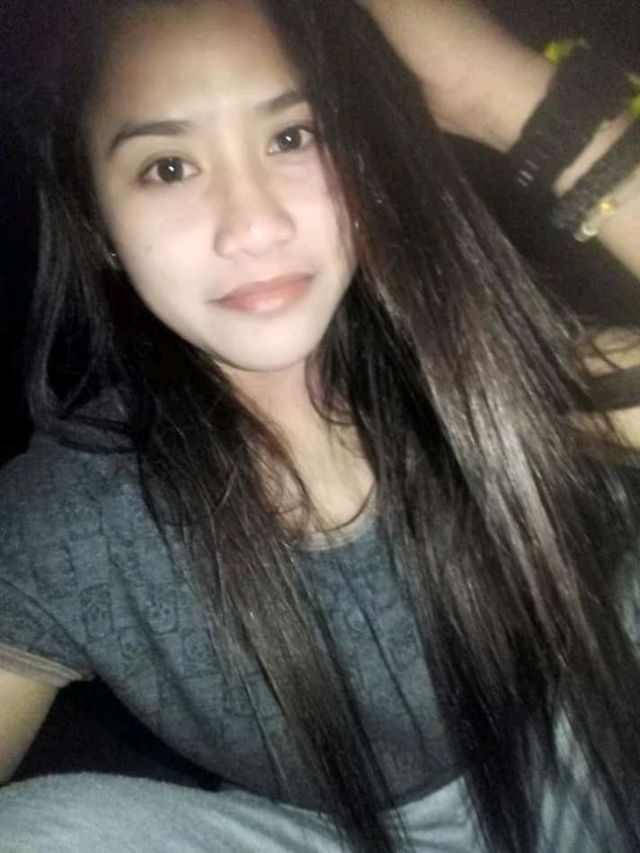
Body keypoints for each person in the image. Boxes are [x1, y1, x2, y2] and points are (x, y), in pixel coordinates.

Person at [0, 0, 639, 850]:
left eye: (293, 136)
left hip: (591, 742)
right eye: (168, 167)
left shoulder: (490, 372)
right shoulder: (69, 519)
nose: (253, 224)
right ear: (101, 222)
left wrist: (499, 92)